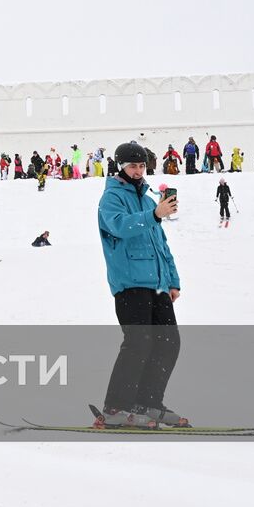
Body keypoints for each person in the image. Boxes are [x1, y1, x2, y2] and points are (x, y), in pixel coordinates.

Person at [95, 142, 185, 430]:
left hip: (158, 284)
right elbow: (120, 226)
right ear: (120, 166)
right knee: (138, 342)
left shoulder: (148, 201)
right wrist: (153, 215)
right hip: (130, 282)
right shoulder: (111, 198)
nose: (137, 171)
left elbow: (161, 244)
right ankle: (115, 407)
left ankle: (147, 402)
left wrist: (172, 279)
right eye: (132, 165)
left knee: (169, 342)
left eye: (142, 166)